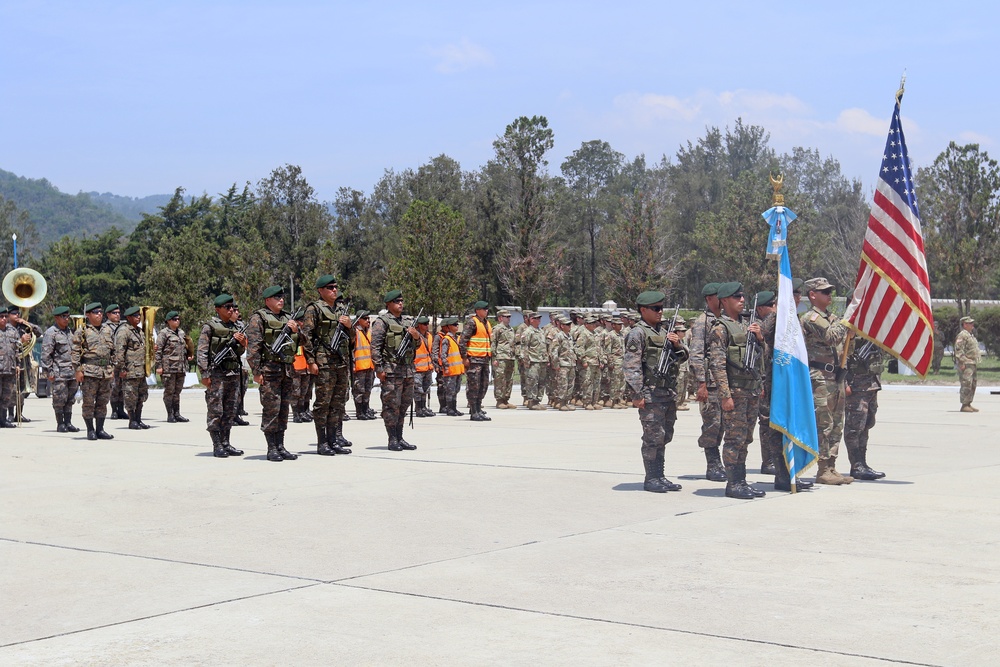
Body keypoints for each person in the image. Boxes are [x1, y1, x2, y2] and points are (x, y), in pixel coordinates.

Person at [623, 290, 687, 493]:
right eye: (656, 308)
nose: (660, 312)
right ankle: (651, 477)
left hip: (666, 392)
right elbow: (631, 366)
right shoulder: (637, 333)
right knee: (652, 437)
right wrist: (637, 393)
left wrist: (676, 343)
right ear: (643, 310)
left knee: (665, 435)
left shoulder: (663, 331)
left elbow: (682, 357)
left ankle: (660, 475)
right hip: (650, 394)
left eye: (661, 308)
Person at [707, 282, 766, 499]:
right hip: (735, 392)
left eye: (742, 296)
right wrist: (725, 396)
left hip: (750, 390)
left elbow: (763, 356)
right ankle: (733, 483)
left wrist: (760, 338)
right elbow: (717, 364)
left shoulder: (748, 324)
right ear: (724, 301)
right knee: (734, 438)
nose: (742, 300)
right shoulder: (720, 328)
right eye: (736, 297)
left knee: (746, 438)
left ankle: (741, 480)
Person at [800, 277, 853, 485]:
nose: (829, 295)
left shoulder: (832, 317)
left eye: (830, 291)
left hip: (835, 376)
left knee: (837, 422)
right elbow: (831, 336)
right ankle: (822, 468)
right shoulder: (811, 318)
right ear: (813, 295)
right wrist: (847, 321)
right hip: (820, 377)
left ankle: (831, 465)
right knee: (824, 423)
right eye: (824, 292)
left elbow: (843, 344)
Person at [300, 275, 354, 456]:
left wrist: (349, 326)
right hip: (324, 361)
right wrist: (311, 361)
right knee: (323, 402)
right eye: (330, 287)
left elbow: (352, 339)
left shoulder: (341, 310)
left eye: (335, 287)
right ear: (321, 290)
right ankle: (322, 442)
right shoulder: (314, 309)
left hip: (341, 361)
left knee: (337, 403)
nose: (334, 290)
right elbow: (306, 337)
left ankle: (333, 440)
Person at [246, 285, 300, 462]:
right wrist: (256, 371)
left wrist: (295, 331)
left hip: (286, 371)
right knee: (271, 409)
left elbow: (304, 341)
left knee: (284, 409)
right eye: (277, 298)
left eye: (282, 297)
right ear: (267, 300)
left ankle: (280, 446)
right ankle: (271, 448)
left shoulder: (287, 318)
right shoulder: (258, 318)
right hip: (269, 372)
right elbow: (253, 347)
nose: (281, 300)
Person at [197, 294, 247, 458]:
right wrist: (204, 374)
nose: (231, 310)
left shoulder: (236, 327)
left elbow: (240, 352)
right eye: (227, 307)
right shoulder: (210, 327)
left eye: (232, 307)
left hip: (233, 373)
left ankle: (226, 443)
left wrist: (242, 343)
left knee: (230, 410)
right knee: (216, 410)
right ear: (218, 309)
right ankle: (217, 444)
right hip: (217, 374)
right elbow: (202, 352)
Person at [370, 289, 419, 451]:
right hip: (391, 370)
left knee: (404, 404)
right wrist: (379, 368)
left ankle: (400, 436)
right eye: (397, 301)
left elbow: (418, 345)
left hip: (408, 371)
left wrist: (416, 336)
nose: (400, 304)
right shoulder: (381, 322)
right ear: (388, 304)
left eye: (401, 301)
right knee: (392, 405)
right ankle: (392, 438)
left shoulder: (408, 321)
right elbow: (375, 347)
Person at [690, 283, 727, 482]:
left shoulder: (725, 320)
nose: (720, 299)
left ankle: (723, 462)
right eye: (716, 296)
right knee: (712, 423)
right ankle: (712, 464)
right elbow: (696, 355)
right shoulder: (702, 322)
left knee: (725, 423)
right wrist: (701, 384)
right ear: (708, 299)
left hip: (724, 382)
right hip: (710, 383)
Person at [844, 336, 887, 479]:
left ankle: (862, 463)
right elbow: (841, 356)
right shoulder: (852, 331)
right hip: (856, 385)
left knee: (866, 425)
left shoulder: (875, 331)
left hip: (872, 384)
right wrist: (844, 383)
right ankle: (856, 465)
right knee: (854, 427)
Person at [72, 302, 115, 440]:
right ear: (88, 315)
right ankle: (90, 430)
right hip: (90, 372)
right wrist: (78, 370)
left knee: (103, 402)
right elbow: (75, 352)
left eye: (100, 312)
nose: (99, 314)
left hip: (105, 371)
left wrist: (112, 367)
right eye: (96, 312)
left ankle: (100, 429)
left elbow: (113, 351)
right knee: (89, 402)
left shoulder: (107, 330)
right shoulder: (82, 331)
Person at [40, 306, 80, 433]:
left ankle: (68, 422)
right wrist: (48, 372)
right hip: (59, 373)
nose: (67, 319)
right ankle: (60, 423)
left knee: (70, 399)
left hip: (72, 372)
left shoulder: (70, 332)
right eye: (64, 317)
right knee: (59, 399)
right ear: (56, 318)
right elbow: (46, 354)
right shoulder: (51, 333)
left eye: (68, 316)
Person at [751, 291, 778, 474]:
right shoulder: (757, 325)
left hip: (774, 378)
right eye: (772, 305)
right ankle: (768, 461)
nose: (775, 309)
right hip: (762, 379)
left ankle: (775, 459)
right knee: (766, 420)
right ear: (761, 308)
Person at [115, 306, 150, 430]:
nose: (138, 317)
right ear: (128, 317)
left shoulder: (139, 331)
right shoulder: (124, 331)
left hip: (140, 370)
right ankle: (132, 420)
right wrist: (122, 369)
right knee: (130, 396)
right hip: (130, 370)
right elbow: (119, 352)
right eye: (135, 316)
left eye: (139, 315)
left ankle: (138, 419)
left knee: (141, 396)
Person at [459, 300, 493, 421]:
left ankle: (479, 409)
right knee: (474, 386)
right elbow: (462, 341)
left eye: (487, 309)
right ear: (478, 310)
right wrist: (464, 358)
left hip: (484, 359)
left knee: (483, 386)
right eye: (484, 309)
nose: (486, 311)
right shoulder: (472, 322)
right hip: (474, 360)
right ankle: (474, 411)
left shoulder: (486, 323)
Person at [156, 310, 191, 423]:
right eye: (174, 319)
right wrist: (159, 366)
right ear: (168, 321)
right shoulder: (164, 333)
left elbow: (186, 346)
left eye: (178, 319)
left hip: (180, 367)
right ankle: (170, 414)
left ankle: (177, 413)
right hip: (169, 368)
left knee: (177, 391)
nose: (177, 321)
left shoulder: (181, 333)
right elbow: (158, 351)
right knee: (169, 391)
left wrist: (189, 355)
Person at [8, 306, 42, 423]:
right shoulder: (6, 329)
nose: (17, 315)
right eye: (14, 313)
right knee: (11, 389)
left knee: (22, 389)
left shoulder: (24, 327)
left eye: (18, 313)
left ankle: (19, 414)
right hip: (11, 362)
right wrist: (21, 341)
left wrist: (27, 323)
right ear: (8, 316)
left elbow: (39, 332)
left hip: (24, 362)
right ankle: (11, 415)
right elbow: (7, 346)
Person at [0, 308, 31, 428]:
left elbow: (17, 350)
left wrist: (18, 365)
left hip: (10, 369)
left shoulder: (12, 331)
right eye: (1, 316)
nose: (3, 319)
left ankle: (3, 419)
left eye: (5, 316)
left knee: (6, 396)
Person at [436, 317, 465, 416]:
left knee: (456, 390)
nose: (457, 326)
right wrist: (446, 367)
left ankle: (454, 408)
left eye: (457, 325)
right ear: (449, 327)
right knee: (450, 390)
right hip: (451, 370)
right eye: (454, 325)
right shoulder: (446, 339)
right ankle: (450, 409)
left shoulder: (456, 338)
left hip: (457, 369)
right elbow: (443, 354)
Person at [103, 304, 127, 420]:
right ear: (108, 315)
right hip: (111, 362)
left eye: (118, 312)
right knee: (113, 387)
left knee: (122, 386)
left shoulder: (124, 326)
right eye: (114, 313)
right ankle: (114, 410)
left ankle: (121, 409)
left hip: (123, 361)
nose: (117, 315)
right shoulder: (104, 328)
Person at [520, 312, 548, 410]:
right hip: (533, 361)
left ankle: (537, 401)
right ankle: (531, 401)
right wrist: (526, 361)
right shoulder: (528, 332)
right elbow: (524, 347)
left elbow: (544, 346)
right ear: (531, 320)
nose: (539, 320)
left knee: (541, 382)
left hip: (542, 360)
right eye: (536, 319)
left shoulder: (541, 331)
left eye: (539, 318)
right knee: (532, 381)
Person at [549, 315, 577, 411]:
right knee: (562, 384)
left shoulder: (569, 336)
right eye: (567, 325)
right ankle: (561, 403)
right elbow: (554, 351)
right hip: (563, 364)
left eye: (570, 324)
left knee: (570, 384)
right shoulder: (559, 336)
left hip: (571, 364)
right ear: (562, 326)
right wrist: (556, 364)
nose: (569, 326)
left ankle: (566, 402)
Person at [575, 314, 603, 410]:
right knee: (587, 383)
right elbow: (579, 348)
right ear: (586, 324)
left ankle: (594, 401)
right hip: (588, 362)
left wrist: (601, 360)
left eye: (594, 323)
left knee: (597, 383)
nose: (593, 325)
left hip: (596, 362)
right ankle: (587, 402)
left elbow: (599, 348)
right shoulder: (584, 334)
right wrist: (583, 360)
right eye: (591, 323)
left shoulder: (596, 334)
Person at [352, 313, 376, 420]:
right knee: (359, 390)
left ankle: (366, 410)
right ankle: (359, 412)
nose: (368, 321)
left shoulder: (370, 332)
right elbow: (351, 350)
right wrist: (352, 364)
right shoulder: (355, 332)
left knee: (368, 390)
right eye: (365, 319)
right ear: (358, 320)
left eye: (368, 319)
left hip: (369, 366)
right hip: (359, 367)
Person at [491, 309, 516, 409]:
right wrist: (494, 358)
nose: (509, 318)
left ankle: (506, 399)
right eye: (507, 317)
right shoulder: (497, 329)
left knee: (509, 379)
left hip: (510, 357)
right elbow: (493, 343)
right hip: (500, 357)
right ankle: (499, 400)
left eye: (509, 317)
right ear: (500, 318)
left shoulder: (511, 329)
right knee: (500, 379)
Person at [955, 316, 981, 413]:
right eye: (970, 323)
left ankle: (969, 403)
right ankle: (964, 405)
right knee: (966, 383)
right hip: (966, 363)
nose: (972, 325)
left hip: (972, 363)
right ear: (965, 325)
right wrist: (962, 362)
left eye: (972, 323)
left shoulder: (970, 335)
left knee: (972, 384)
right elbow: (958, 350)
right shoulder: (962, 335)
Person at [412, 315, 436, 417]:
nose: (427, 326)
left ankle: (424, 407)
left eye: (427, 324)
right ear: (419, 325)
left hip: (428, 367)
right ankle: (418, 408)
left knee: (426, 389)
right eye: (424, 324)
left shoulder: (429, 336)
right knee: (418, 389)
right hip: (417, 367)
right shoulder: (414, 336)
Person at [232, 304, 250, 426]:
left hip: (239, 361)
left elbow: (245, 343)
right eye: (234, 310)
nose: (236, 312)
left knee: (241, 388)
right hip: (224, 366)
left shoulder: (240, 326)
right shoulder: (218, 326)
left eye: (237, 310)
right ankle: (230, 416)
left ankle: (237, 413)